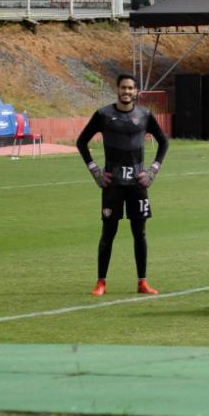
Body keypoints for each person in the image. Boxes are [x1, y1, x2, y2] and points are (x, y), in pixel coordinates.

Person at [76, 73, 168, 296]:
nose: (127, 92)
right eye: (123, 88)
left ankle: (142, 282)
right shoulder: (103, 115)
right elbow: (81, 142)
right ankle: (101, 282)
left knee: (140, 233)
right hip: (113, 186)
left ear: (136, 91)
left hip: (138, 185)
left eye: (131, 88)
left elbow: (164, 142)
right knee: (108, 233)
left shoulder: (145, 115)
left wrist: (152, 171)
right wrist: (95, 171)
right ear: (117, 89)